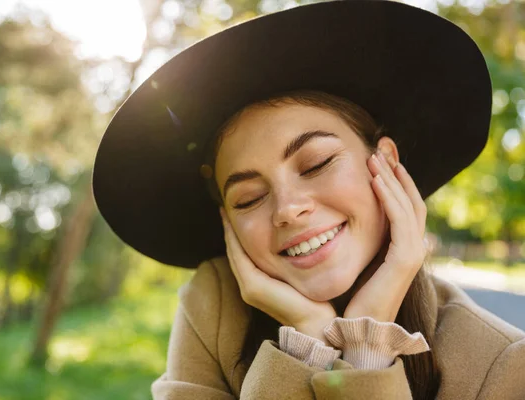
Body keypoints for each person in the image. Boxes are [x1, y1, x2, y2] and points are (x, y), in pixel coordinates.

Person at [92, 1, 525, 399]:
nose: (287, 209)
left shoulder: (503, 366)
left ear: (388, 164)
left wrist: (366, 347)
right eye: (249, 198)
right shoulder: (212, 308)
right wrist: (308, 341)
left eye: (316, 163)